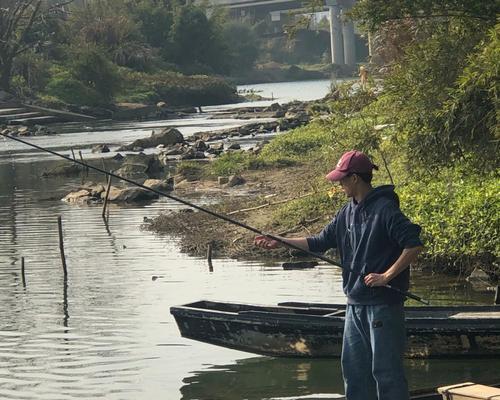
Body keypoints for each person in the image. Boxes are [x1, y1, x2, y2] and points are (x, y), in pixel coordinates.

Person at [254, 150, 423, 400]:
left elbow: (414, 244)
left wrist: (386, 276)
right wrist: (280, 241)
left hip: (382, 305)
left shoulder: (385, 209)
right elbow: (319, 241)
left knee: (386, 372)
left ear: (355, 178)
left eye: (342, 178)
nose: (339, 183)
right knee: (354, 371)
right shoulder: (346, 213)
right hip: (354, 304)